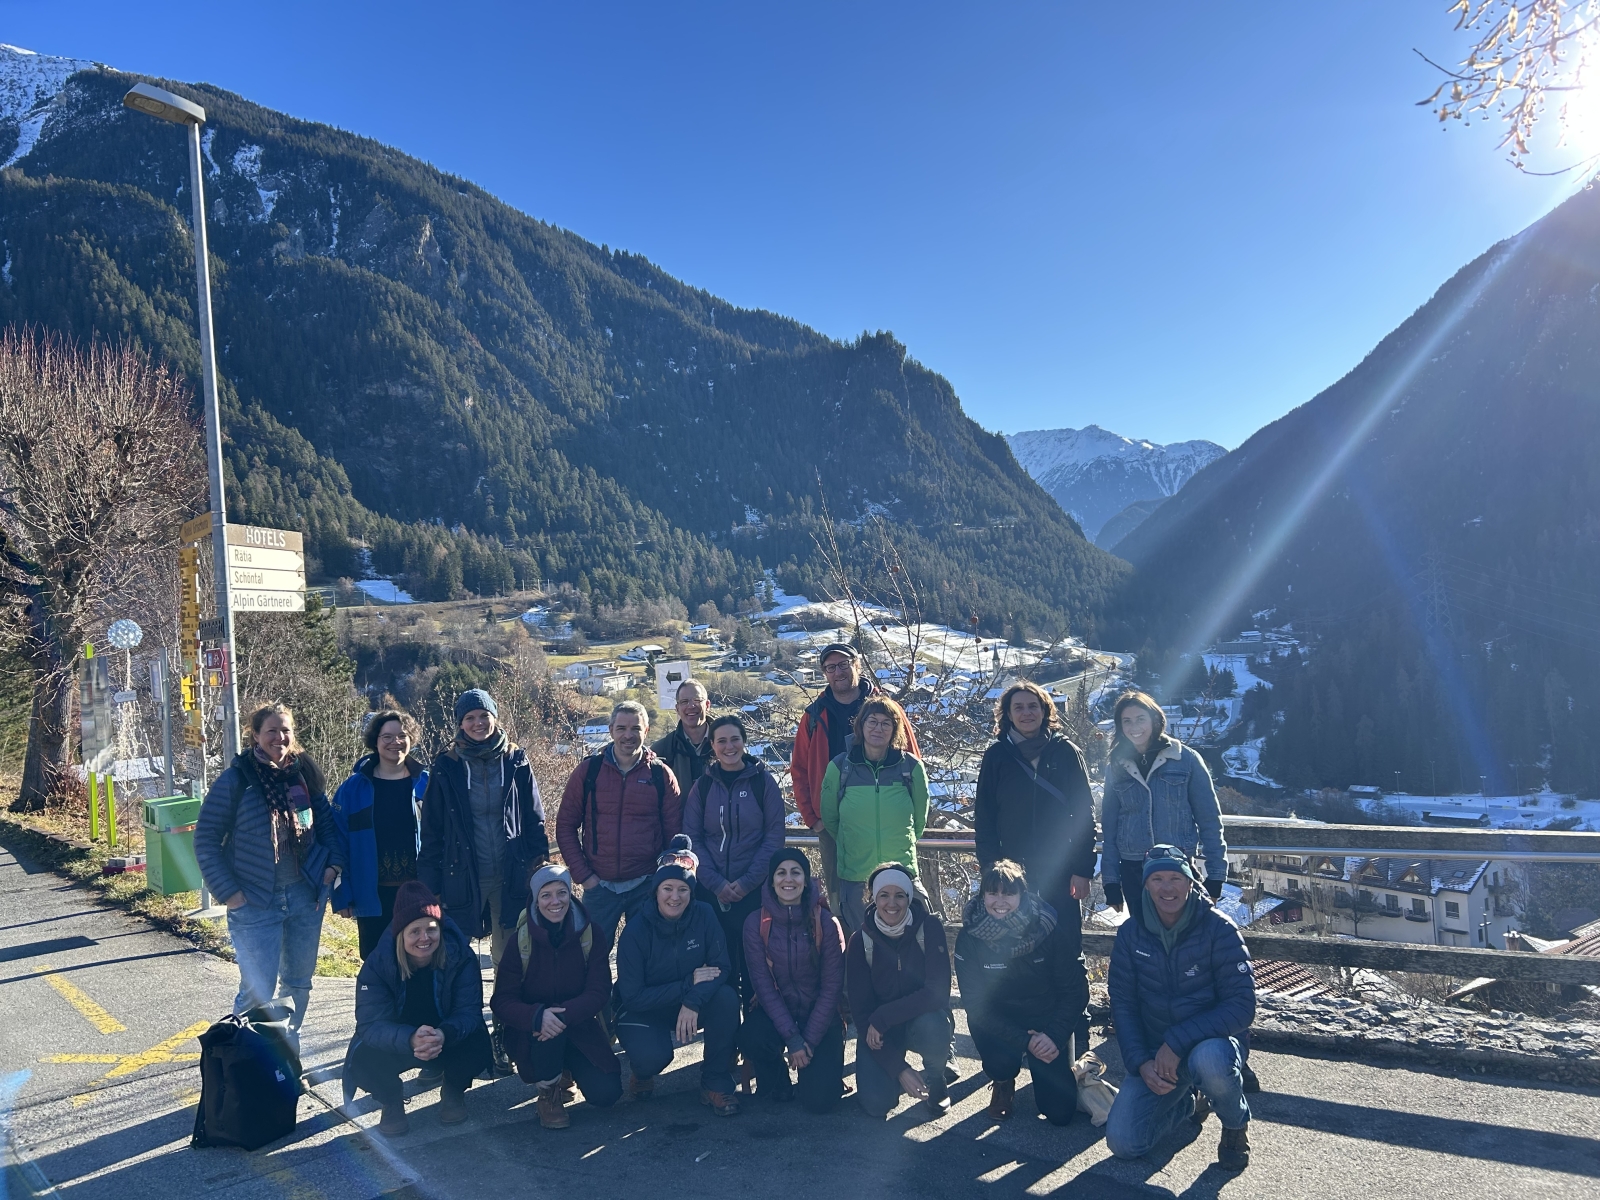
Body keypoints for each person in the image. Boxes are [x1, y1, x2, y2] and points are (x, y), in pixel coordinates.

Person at [418, 687, 549, 1073]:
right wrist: (430, 885)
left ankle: (504, 1038)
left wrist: (538, 865)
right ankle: (452, 1041)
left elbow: (535, 818)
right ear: (460, 723)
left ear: (495, 717)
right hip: (460, 878)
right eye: (470, 718)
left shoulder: (516, 760)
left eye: (484, 716)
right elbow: (432, 829)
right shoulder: (446, 766)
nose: (478, 723)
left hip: (510, 876)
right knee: (453, 961)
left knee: (509, 962)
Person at [195, 703, 344, 1043]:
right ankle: (243, 1059)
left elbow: (327, 827)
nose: (279, 737)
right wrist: (229, 893)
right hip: (254, 901)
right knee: (256, 991)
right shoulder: (237, 779)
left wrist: (332, 867)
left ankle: (286, 1055)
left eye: (285, 730)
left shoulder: (303, 776)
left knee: (298, 984)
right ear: (256, 735)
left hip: (305, 896)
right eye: (271, 731)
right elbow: (205, 839)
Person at [1104, 845, 1254, 1173]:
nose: (1167, 887)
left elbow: (1242, 1007)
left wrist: (1176, 1042)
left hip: (1210, 1045)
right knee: (1123, 1143)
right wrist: (1140, 1062)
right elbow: (1124, 1004)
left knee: (1211, 1061)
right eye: (1157, 878)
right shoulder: (1130, 933)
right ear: (1146, 885)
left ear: (1190, 882)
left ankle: (1234, 1125)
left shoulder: (1219, 929)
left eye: (1175, 877)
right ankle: (1189, 1103)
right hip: (1155, 1053)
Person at [973, 681, 1096, 1054]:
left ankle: (1076, 1035)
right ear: (1007, 715)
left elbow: (1084, 812)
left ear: (1045, 711)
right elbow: (985, 818)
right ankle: (1022, 1036)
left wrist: (1083, 868)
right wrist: (992, 874)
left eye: (1033, 706)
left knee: (1068, 948)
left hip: (1061, 869)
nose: (1026, 713)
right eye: (1018, 707)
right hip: (1013, 877)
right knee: (1016, 949)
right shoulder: (997, 756)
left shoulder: (1066, 752)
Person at [342, 881, 492, 1137]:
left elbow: (469, 1012)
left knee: (478, 1042)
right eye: (415, 931)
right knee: (362, 1057)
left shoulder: (461, 956)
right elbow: (370, 1024)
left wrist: (443, 1034)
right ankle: (391, 1100)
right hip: (400, 1042)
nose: (425, 938)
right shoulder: (378, 964)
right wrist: (411, 1039)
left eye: (431, 929)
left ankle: (453, 1090)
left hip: (445, 1038)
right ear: (401, 933)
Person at [614, 835, 742, 1116]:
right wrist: (687, 986)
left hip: (690, 1003)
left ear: (692, 892)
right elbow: (632, 997)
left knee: (726, 998)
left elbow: (721, 967)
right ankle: (641, 1071)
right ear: (656, 891)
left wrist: (693, 1000)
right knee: (652, 1057)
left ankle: (714, 1081)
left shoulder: (705, 914)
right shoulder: (636, 930)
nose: (675, 897)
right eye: (668, 888)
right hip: (646, 1009)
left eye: (683, 889)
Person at [790, 643, 921, 909]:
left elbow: (913, 762)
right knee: (843, 900)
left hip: (888, 824)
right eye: (830, 667)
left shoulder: (888, 709)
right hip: (832, 825)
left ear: (857, 665)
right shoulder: (813, 716)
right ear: (824, 673)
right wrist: (813, 819)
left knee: (896, 897)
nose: (838, 672)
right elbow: (799, 770)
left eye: (843, 664)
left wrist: (907, 822)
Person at [491, 863, 622, 1128]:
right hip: (533, 1032)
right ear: (535, 899)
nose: (555, 902)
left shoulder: (590, 933)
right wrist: (537, 1016)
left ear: (570, 893)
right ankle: (548, 1093)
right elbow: (501, 1000)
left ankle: (565, 1071)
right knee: (548, 1031)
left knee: (607, 1094)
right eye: (546, 895)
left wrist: (564, 1015)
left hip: (577, 1023)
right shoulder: (520, 940)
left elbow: (599, 990)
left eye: (561, 893)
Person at [953, 859, 1082, 1124]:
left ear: (1022, 895)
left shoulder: (1047, 927)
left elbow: (1075, 989)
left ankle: (1051, 1068)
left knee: (1060, 1113)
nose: (1000, 901)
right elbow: (976, 1005)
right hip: (998, 1020)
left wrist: (1054, 1034)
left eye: (1009, 893)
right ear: (983, 895)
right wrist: (1025, 1041)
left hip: (1046, 1019)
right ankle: (1002, 1080)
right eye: (992, 893)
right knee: (1000, 1061)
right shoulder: (969, 937)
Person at [556, 700, 683, 947]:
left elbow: (674, 836)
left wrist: (660, 881)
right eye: (622, 728)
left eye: (635, 728)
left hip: (645, 886)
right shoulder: (589, 771)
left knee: (644, 956)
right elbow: (565, 826)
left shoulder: (661, 775)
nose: (628, 735)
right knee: (591, 956)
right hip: (599, 886)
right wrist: (584, 876)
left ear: (646, 731)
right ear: (611, 730)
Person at [681, 713, 787, 1002]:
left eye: (735, 739)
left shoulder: (763, 783)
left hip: (755, 892)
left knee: (757, 965)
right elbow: (692, 838)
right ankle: (725, 1025)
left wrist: (747, 882)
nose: (729, 747)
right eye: (722, 741)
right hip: (712, 894)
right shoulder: (702, 787)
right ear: (712, 745)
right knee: (719, 965)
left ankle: (756, 1024)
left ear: (744, 741)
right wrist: (717, 884)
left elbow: (773, 838)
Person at [738, 848, 846, 1113]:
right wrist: (793, 1039)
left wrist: (808, 1040)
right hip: (776, 1014)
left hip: (818, 1017)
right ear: (771, 880)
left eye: (796, 872)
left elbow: (831, 989)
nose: (788, 879)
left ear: (806, 880)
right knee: (752, 1036)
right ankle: (779, 1082)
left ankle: (817, 1072)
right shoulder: (755, 923)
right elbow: (763, 987)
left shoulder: (826, 922)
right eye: (781, 873)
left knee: (820, 1102)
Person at [1101, 690, 1227, 909]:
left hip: (1177, 866)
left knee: (1184, 929)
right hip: (1134, 870)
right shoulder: (1117, 766)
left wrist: (1216, 876)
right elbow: (1110, 827)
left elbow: (1209, 820)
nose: (1134, 727)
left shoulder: (1185, 759)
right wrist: (1111, 882)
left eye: (1140, 719)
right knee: (1141, 930)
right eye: (1127, 721)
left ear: (1155, 719)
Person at [846, 863, 953, 1119]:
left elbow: (937, 993)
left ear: (909, 897)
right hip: (880, 1032)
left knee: (934, 1024)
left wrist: (884, 1017)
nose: (891, 903)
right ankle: (895, 1078)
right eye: (884, 895)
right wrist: (899, 1069)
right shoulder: (860, 941)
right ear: (873, 898)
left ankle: (936, 1077)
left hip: (919, 1021)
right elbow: (861, 1014)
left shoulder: (929, 928)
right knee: (876, 1104)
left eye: (899, 895)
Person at [820, 697, 930, 936]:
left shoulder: (911, 768)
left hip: (901, 874)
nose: (878, 728)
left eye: (886, 723)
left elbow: (920, 820)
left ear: (895, 729)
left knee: (909, 945)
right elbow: (830, 819)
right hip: (856, 877)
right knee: (864, 945)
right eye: (872, 721)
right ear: (860, 725)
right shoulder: (840, 768)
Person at [333, 709, 430, 959]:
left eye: (402, 735)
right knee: (377, 963)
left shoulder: (427, 785)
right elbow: (338, 842)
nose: (395, 742)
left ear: (411, 739)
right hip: (371, 894)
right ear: (375, 741)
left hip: (419, 893)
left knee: (419, 961)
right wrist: (342, 895)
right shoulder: (353, 789)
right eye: (387, 736)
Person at [651, 680, 714, 792]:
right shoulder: (662, 750)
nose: (691, 706)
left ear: (707, 705)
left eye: (697, 700)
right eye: (684, 702)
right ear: (677, 709)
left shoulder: (727, 745)